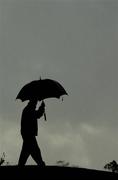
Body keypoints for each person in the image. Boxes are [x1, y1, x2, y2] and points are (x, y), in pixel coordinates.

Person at [18, 99, 46, 166]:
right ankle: (40, 163)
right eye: (35, 102)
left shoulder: (28, 109)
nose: (36, 103)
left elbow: (37, 114)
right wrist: (42, 107)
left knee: (26, 152)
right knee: (34, 151)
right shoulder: (29, 110)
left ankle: (40, 163)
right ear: (33, 102)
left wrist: (41, 108)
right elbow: (37, 115)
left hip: (27, 134)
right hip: (29, 134)